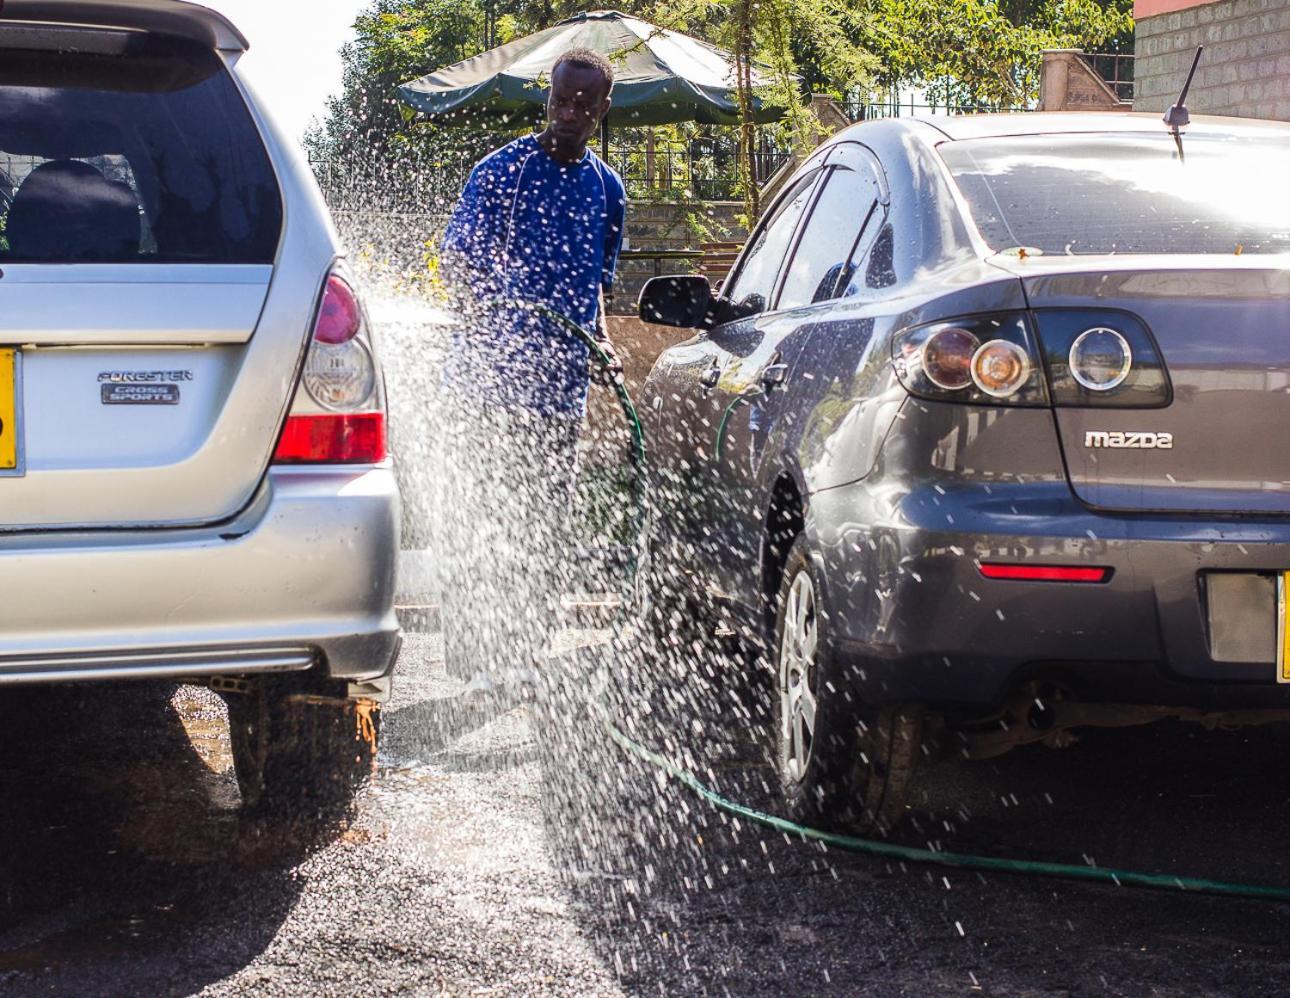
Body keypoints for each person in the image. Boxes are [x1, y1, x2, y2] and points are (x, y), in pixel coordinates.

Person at [436, 47, 626, 698]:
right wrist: (494, 316)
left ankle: (524, 659)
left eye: (584, 103)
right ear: (547, 97)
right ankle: (475, 651)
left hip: (559, 395)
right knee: (486, 520)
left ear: (602, 109)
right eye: (560, 99)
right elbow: (457, 260)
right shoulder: (502, 172)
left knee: (543, 530)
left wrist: (601, 341)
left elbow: (597, 284)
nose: (569, 112)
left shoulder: (608, 189)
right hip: (485, 387)